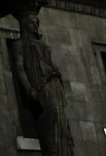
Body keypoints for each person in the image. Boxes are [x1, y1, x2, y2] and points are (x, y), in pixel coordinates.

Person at [14, 11, 74, 156]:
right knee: (51, 120)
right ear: (25, 25)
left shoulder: (42, 44)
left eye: (37, 23)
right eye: (31, 23)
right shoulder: (20, 44)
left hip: (54, 85)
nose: (35, 25)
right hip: (42, 87)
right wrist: (30, 90)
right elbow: (20, 68)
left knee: (62, 123)